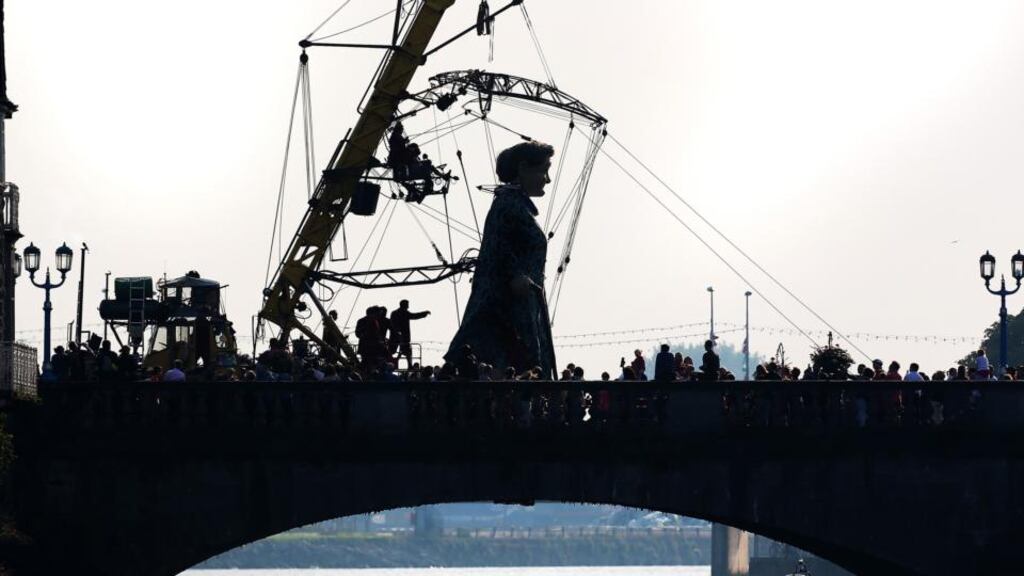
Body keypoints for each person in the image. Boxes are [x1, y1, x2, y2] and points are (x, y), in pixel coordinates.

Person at [445, 141, 557, 378]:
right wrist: (517, 274)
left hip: (523, 305)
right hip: (506, 309)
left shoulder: (515, 205)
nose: (547, 179)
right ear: (523, 168)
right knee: (513, 369)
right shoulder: (507, 205)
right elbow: (498, 246)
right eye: (543, 170)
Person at [390, 300, 431, 368]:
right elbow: (414, 316)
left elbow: (414, 316)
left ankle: (395, 364)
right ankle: (403, 364)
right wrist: (424, 313)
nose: (408, 306)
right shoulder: (402, 313)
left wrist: (424, 313)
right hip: (401, 336)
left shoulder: (395, 313)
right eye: (407, 304)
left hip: (396, 336)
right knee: (404, 351)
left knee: (400, 351)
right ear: (404, 305)